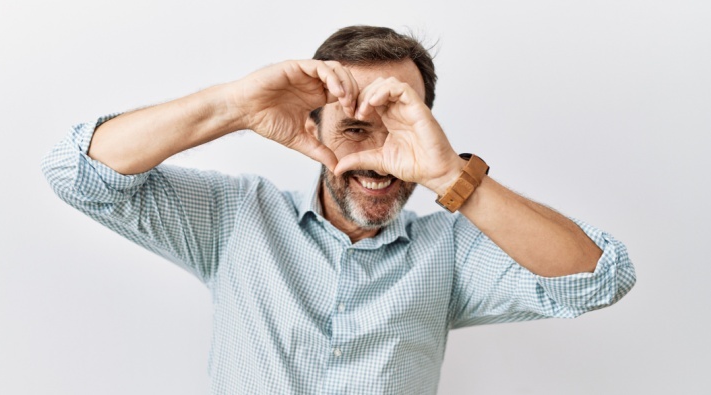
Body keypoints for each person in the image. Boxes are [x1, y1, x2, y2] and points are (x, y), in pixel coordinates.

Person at [42, 25, 636, 394]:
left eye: (400, 125)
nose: (381, 155)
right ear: (313, 126)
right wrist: (235, 105)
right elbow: (78, 174)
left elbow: (598, 278)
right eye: (354, 128)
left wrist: (451, 174)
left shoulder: (450, 252)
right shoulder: (236, 218)